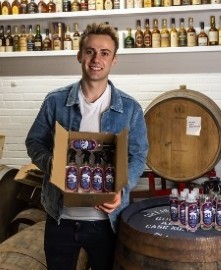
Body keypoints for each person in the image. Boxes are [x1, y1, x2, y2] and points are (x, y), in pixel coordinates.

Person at [25, 22, 148, 270]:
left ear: (114, 60)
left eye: (105, 53)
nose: (96, 59)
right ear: (79, 54)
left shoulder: (130, 108)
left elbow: (139, 155)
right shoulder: (55, 101)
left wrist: (122, 189)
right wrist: (54, 164)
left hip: (107, 221)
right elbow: (34, 142)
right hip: (60, 218)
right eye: (90, 51)